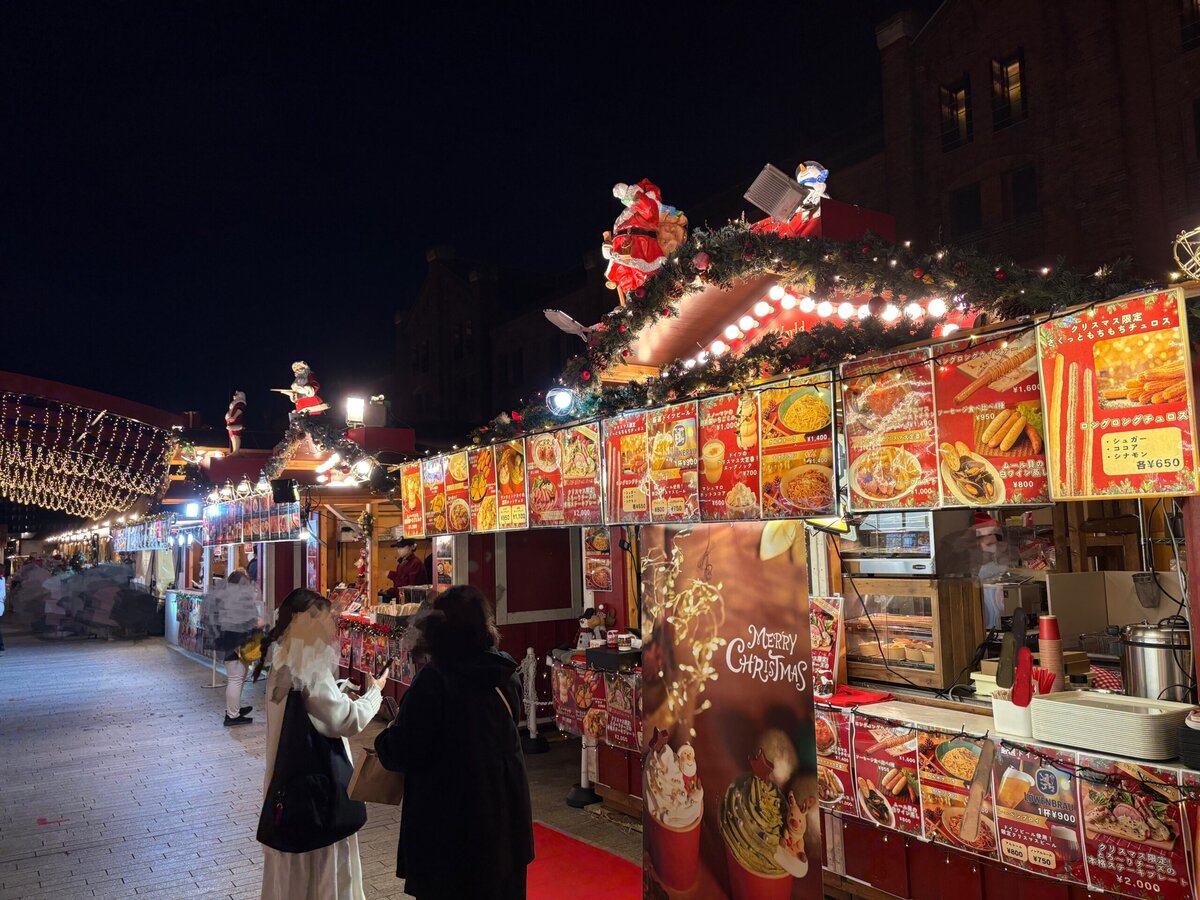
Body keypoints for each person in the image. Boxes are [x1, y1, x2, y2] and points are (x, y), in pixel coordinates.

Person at [375, 585, 533, 900]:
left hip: (447, 831)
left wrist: (386, 737)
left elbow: (405, 750)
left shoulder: (434, 681)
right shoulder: (504, 672)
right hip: (504, 823)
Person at [259, 588, 387, 900]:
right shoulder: (308, 664)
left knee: (291, 871)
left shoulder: (282, 657)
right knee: (325, 870)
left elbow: (314, 705)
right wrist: (375, 692)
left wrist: (338, 690)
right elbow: (345, 720)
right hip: (317, 791)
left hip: (285, 783)